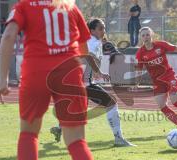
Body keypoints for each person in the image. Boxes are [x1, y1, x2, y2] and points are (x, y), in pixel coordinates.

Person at [0, 0, 109, 159]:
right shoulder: (69, 6)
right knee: (77, 142)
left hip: (36, 72)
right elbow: (83, 44)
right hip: (68, 73)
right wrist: (77, 69)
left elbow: (8, 35)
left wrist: (3, 77)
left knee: (28, 135)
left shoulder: (25, 5)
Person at [50, 19, 135, 147]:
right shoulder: (93, 43)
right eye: (100, 28)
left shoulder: (93, 41)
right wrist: (99, 72)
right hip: (84, 83)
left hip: (77, 81)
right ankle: (118, 138)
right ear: (92, 30)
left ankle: (59, 128)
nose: (103, 31)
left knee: (78, 110)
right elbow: (88, 56)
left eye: (104, 28)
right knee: (111, 103)